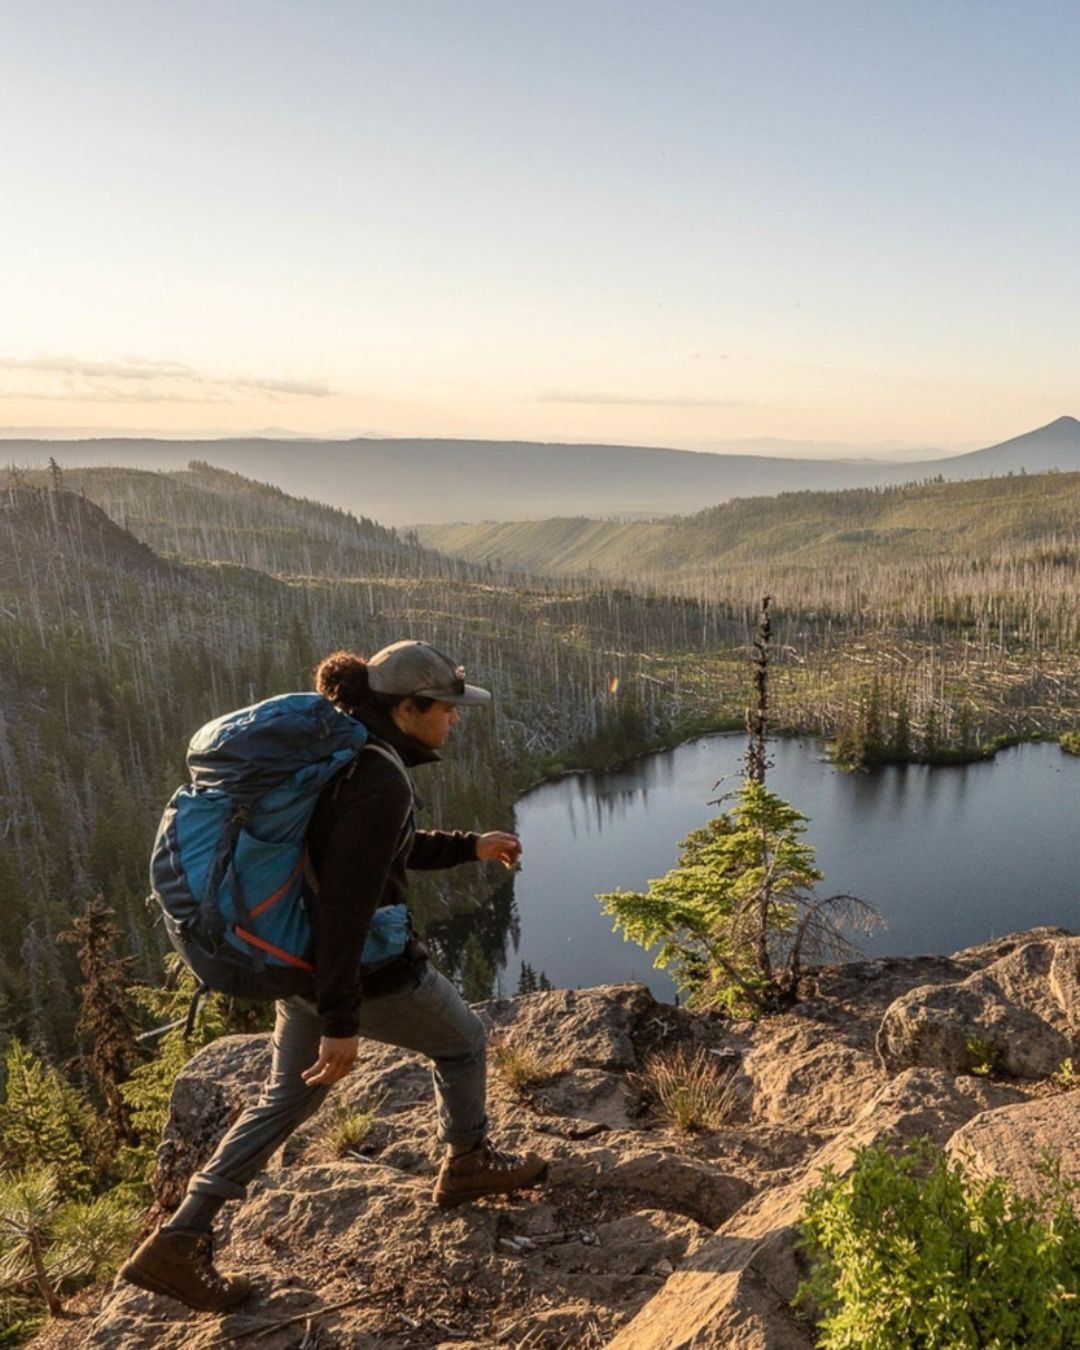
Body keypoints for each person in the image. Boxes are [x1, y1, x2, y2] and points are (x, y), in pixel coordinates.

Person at [121, 640, 547, 1312]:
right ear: (409, 708)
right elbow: (349, 902)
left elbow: (374, 849)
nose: (455, 721)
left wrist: (470, 845)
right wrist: (342, 1021)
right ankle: (466, 1164)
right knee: (463, 1042)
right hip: (360, 972)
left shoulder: (347, 756)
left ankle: (180, 1236)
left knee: (286, 1099)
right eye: (447, 709)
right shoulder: (377, 777)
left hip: (297, 964)